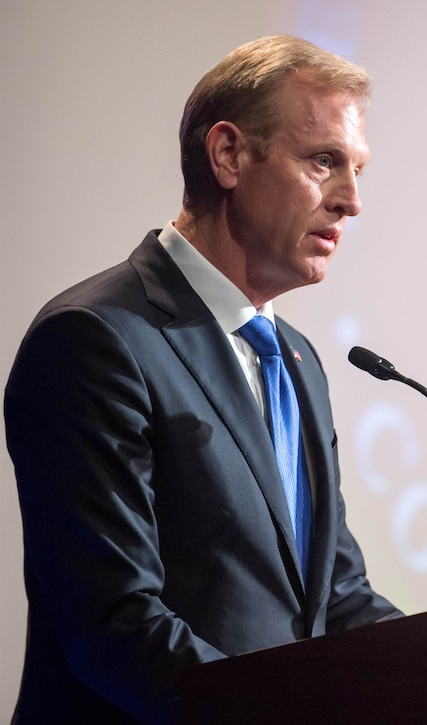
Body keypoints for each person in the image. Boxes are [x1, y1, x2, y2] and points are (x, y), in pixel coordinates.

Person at [4, 35, 402, 723]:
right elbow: (115, 621)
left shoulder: (298, 362)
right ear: (228, 155)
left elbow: (335, 595)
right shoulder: (95, 339)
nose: (352, 200)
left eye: (358, 169)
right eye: (324, 161)